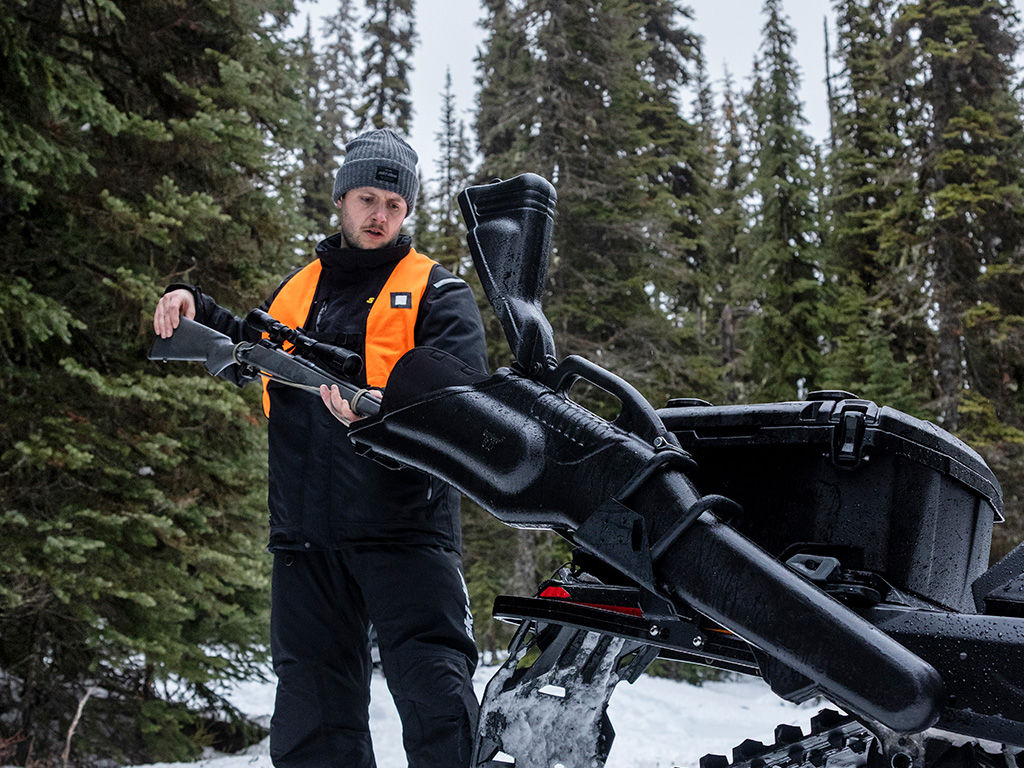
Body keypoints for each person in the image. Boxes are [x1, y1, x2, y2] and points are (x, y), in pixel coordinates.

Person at [153, 128, 487, 768]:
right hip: (306, 537)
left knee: (438, 702)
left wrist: (379, 412)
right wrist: (196, 307)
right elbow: (252, 346)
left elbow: (463, 401)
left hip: (406, 531)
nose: (379, 215)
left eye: (394, 204)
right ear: (342, 200)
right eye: (367, 199)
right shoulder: (297, 289)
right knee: (312, 717)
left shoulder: (437, 291)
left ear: (407, 211)